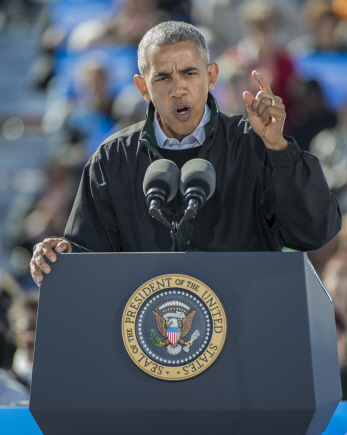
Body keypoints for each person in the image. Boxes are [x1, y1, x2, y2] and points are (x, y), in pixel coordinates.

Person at [30, 21, 341, 286]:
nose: (177, 89)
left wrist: (279, 149)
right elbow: (90, 265)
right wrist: (61, 256)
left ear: (212, 77)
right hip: (147, 343)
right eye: (163, 77)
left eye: (190, 73)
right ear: (142, 87)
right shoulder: (112, 161)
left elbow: (313, 232)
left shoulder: (255, 143)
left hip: (248, 334)